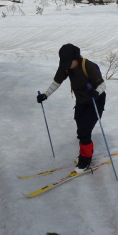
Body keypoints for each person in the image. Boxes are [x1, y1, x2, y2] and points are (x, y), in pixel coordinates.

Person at [37, 43, 106, 173]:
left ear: (76, 58)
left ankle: (85, 161)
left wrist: (96, 92)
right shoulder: (66, 66)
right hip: (81, 101)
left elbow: (102, 85)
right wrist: (46, 94)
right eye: (64, 62)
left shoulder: (87, 66)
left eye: (69, 62)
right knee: (81, 128)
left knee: (84, 131)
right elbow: (57, 82)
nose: (67, 65)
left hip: (95, 101)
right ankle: (85, 153)